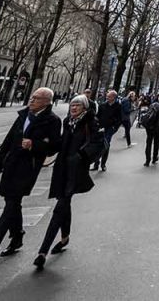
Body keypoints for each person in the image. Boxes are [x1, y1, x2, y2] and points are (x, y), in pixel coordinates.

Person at [0, 87, 62, 272]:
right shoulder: (23, 115)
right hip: (11, 165)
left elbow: (53, 147)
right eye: (32, 97)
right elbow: (8, 141)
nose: (31, 100)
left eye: (36, 98)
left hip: (27, 169)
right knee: (13, 203)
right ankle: (18, 235)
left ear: (46, 102)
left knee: (10, 207)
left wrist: (34, 145)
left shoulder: (52, 121)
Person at [33, 94, 103, 270]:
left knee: (60, 207)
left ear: (84, 108)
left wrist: (80, 156)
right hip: (62, 170)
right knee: (65, 204)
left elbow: (98, 144)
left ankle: (42, 251)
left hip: (76, 171)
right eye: (72, 105)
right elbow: (62, 142)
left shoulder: (91, 122)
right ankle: (64, 238)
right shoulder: (67, 122)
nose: (73, 108)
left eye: (77, 105)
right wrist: (44, 145)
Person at [88, 90, 123, 172]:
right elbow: (97, 116)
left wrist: (115, 128)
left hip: (110, 128)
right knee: (98, 145)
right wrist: (96, 124)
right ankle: (96, 164)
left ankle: (103, 164)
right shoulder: (103, 105)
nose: (107, 97)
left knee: (106, 145)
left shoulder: (118, 106)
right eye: (107, 96)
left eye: (109, 96)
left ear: (114, 97)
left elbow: (119, 118)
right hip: (101, 128)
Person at [141, 96, 159, 167]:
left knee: (148, 143)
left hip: (150, 127)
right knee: (156, 143)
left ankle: (147, 160)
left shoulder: (152, 105)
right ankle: (154, 158)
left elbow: (148, 114)